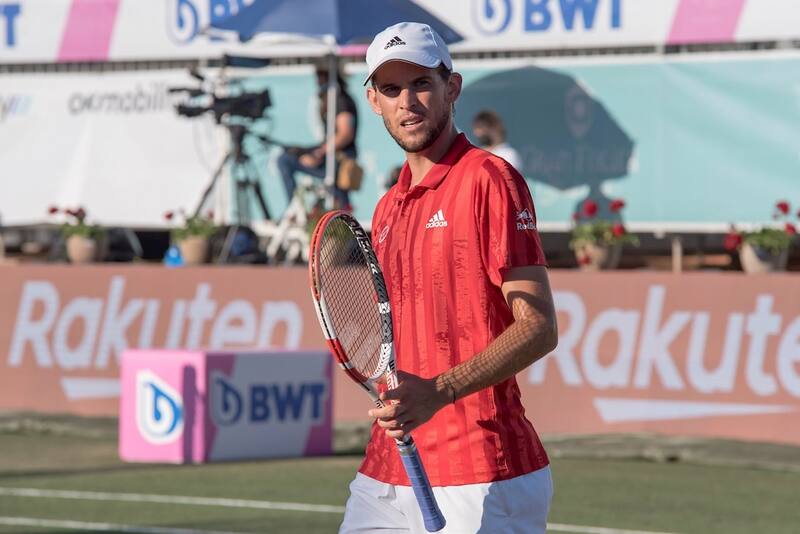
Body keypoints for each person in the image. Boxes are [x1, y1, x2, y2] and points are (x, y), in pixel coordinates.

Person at [339, 22, 559, 533]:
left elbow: (539, 326)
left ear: (451, 88)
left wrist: (440, 389)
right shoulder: (387, 206)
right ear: (373, 101)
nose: (407, 102)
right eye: (391, 89)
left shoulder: (489, 179)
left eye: (421, 83)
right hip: (391, 464)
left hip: (482, 469)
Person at [276, 66, 358, 212]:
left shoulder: (340, 100)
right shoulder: (334, 99)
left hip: (339, 160)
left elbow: (345, 133)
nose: (318, 83)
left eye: (320, 78)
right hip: (333, 157)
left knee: (285, 160)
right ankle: (297, 210)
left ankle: (294, 210)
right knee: (289, 153)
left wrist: (318, 153)